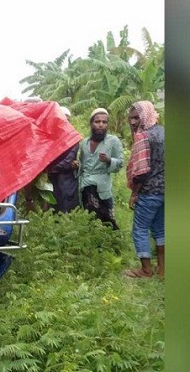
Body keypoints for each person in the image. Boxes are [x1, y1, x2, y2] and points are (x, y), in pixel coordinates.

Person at [125, 101, 165, 278]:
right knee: (160, 229)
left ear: (145, 116)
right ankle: (163, 270)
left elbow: (141, 171)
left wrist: (135, 193)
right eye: (131, 118)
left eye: (137, 117)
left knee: (140, 229)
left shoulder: (143, 136)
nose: (133, 122)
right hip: (166, 190)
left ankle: (146, 269)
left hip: (149, 191)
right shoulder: (164, 132)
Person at [77, 108, 124, 229]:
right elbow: (82, 164)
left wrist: (108, 160)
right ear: (91, 123)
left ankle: (113, 245)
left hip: (102, 188)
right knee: (90, 220)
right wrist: (76, 165)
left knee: (108, 221)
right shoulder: (84, 143)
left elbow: (120, 163)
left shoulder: (113, 141)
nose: (101, 125)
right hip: (86, 186)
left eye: (104, 122)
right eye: (97, 121)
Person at [44, 106, 80, 212]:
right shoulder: (50, 136)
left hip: (66, 181)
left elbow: (67, 161)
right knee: (51, 210)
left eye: (67, 120)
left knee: (66, 210)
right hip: (52, 180)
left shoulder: (73, 138)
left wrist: (47, 168)